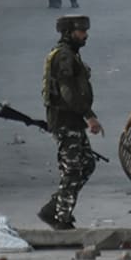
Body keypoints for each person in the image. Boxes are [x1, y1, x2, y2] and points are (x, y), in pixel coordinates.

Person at [38, 14, 103, 230]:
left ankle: (54, 208)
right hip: (66, 120)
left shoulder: (70, 54)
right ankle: (61, 217)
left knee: (87, 164)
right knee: (73, 169)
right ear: (68, 32)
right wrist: (89, 116)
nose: (85, 35)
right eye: (80, 31)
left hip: (72, 120)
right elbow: (67, 92)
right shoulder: (64, 56)